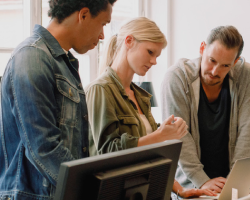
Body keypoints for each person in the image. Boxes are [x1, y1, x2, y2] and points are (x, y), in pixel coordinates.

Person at [0, 0, 114, 199]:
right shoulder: (32, 57)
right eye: (103, 24)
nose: (102, 35)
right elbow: (43, 147)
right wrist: (90, 190)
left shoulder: (62, 63)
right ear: (83, 15)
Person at [85, 17, 215, 198]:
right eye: (150, 52)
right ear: (129, 41)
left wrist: (180, 190)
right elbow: (108, 152)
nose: (154, 61)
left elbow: (153, 158)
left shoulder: (140, 96)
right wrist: (160, 135)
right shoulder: (100, 90)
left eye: (157, 56)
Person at [161, 25, 250, 192]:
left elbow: (249, 132)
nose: (215, 71)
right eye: (212, 60)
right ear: (202, 48)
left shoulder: (246, 75)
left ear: (235, 62)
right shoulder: (177, 77)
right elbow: (179, 137)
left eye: (225, 66)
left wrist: (235, 183)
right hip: (191, 188)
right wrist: (201, 181)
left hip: (230, 186)